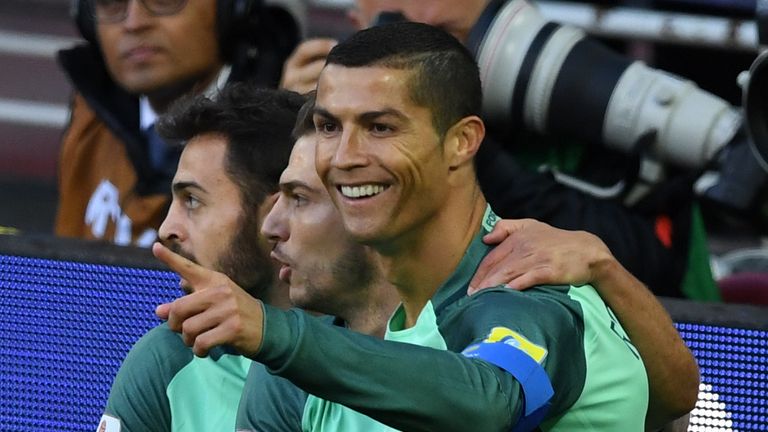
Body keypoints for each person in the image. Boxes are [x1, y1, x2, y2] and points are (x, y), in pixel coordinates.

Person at [155, 23, 697, 431]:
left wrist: (276, 335)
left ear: (461, 141)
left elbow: (493, 401)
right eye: (328, 126)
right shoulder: (310, 354)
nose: (343, 156)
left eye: (380, 126)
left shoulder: (521, 288)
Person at [238, 95, 698, 430]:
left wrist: (604, 265)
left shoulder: (512, 296)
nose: (272, 225)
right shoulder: (287, 356)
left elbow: (493, 404)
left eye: (299, 199)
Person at [279, 0, 720, 301]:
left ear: (510, 27)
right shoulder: (333, 133)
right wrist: (297, 131)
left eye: (449, 38)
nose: (419, 66)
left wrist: (450, 147)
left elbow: (656, 277)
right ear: (358, 29)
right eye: (393, 37)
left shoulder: (595, 110)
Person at [97, 85, 304, 432]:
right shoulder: (167, 360)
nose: (166, 229)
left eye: (192, 200)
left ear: (278, 215)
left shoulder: (378, 351)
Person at [55, 0, 299, 247]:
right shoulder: (89, 113)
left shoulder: (293, 138)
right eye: (112, 3)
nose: (134, 23)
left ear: (231, 9)